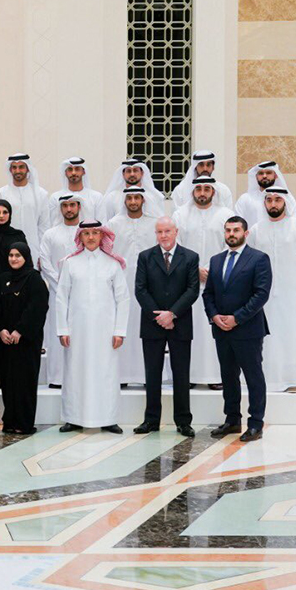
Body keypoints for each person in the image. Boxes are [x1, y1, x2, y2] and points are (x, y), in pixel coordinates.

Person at [55, 221, 130, 434]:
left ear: (101, 236)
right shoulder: (70, 263)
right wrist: (63, 329)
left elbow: (123, 299)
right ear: (80, 237)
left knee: (106, 372)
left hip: (106, 332)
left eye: (95, 233)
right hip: (76, 331)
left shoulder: (112, 264)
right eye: (86, 233)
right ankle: (73, 418)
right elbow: (61, 298)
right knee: (75, 372)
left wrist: (119, 331)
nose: (90, 237)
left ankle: (108, 418)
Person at [203, 216, 272, 442]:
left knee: (253, 377)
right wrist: (214, 316)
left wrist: (237, 318)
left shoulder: (259, 259)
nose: (231, 234)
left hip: (248, 329)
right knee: (228, 376)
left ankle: (255, 424)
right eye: (228, 230)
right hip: (221, 329)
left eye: (236, 230)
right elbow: (208, 293)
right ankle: (232, 420)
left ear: (245, 233)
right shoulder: (216, 260)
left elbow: (261, 294)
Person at [133, 217, 200, 436]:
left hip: (180, 323)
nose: (163, 235)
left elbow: (192, 290)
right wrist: (159, 317)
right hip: (152, 323)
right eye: (159, 232)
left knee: (181, 374)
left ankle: (183, 421)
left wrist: (172, 314)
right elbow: (140, 290)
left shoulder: (190, 257)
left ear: (176, 232)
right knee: (152, 374)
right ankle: (151, 420)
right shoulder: (145, 257)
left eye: (167, 231)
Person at [248, 186, 296, 392]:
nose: (273, 204)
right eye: (269, 200)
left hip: (290, 292)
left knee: (291, 333)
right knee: (266, 337)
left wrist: (290, 280)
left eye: (277, 200)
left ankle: (291, 380)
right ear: (264, 203)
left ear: (285, 202)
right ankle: (266, 378)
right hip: (263, 293)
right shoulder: (256, 229)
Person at [174, 175, 237, 389]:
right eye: (198, 188)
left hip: (217, 281)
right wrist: (194, 269)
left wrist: (211, 269)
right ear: (192, 191)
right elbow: (176, 245)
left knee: (215, 331)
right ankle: (189, 375)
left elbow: (230, 244)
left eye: (206, 189)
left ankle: (216, 376)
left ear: (213, 192)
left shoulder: (226, 215)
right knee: (189, 331)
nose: (202, 192)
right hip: (187, 282)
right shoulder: (180, 215)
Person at [106, 186, 159, 387]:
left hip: (151, 284)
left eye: (137, 198)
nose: (134, 201)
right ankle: (122, 376)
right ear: (125, 201)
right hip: (122, 281)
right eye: (130, 198)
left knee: (147, 326)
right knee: (124, 324)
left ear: (143, 200)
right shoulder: (113, 224)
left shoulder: (154, 223)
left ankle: (147, 376)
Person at [0, 243, 48, 434]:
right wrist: (1, 329)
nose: (14, 259)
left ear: (26, 257)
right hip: (6, 341)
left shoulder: (34, 279)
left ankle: (24, 423)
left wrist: (20, 331)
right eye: (11, 255)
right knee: (8, 382)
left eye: (18, 255)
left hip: (26, 342)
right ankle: (10, 422)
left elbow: (37, 308)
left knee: (24, 382)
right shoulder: (3, 278)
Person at [37, 193, 84, 387]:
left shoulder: (87, 233)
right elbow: (44, 261)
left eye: (72, 205)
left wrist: (77, 284)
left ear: (79, 207)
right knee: (57, 334)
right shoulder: (50, 234)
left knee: (80, 334)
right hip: (57, 294)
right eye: (65, 206)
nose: (69, 209)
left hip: (82, 294)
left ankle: (79, 376)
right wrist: (62, 284)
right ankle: (57, 378)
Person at [0, 153, 50, 248]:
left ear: (28, 169)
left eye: (21, 167)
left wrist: (42, 250)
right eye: (14, 167)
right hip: (7, 247)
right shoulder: (1, 193)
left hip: (33, 247)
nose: (17, 171)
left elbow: (44, 225)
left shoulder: (41, 194)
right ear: (10, 170)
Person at [44, 157, 103, 232]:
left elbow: (101, 226)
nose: (73, 173)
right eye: (70, 169)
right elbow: (52, 224)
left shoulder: (96, 197)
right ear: (65, 173)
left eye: (77, 169)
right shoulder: (55, 197)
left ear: (84, 172)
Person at [99, 159, 165, 222]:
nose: (132, 174)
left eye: (135, 170)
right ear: (123, 174)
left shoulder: (153, 196)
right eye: (128, 171)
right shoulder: (112, 197)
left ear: (142, 173)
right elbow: (107, 222)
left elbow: (160, 221)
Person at [237, 160, 290, 227]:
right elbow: (237, 224)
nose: (264, 176)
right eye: (261, 173)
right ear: (256, 177)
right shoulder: (245, 199)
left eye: (268, 173)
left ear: (276, 175)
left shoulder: (286, 199)